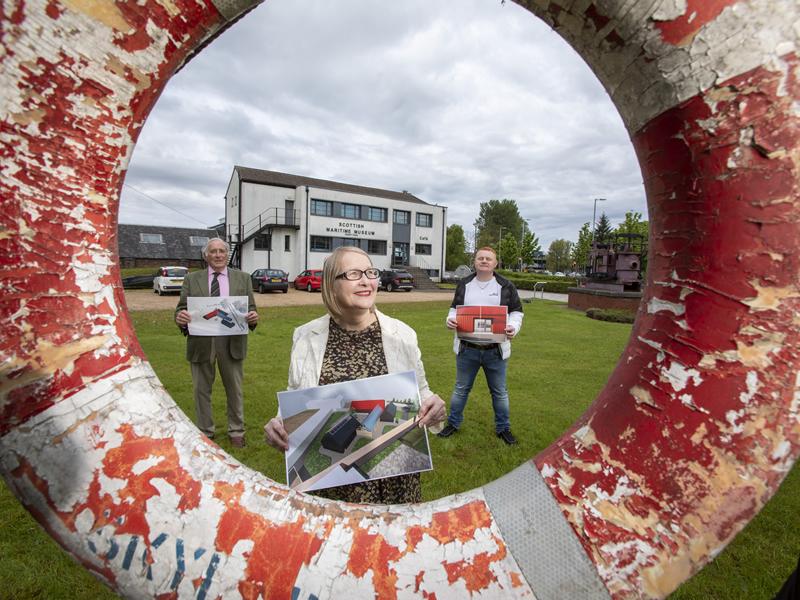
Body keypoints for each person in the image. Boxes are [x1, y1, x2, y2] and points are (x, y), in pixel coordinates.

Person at [264, 246, 446, 503]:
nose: (365, 281)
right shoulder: (305, 336)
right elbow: (298, 395)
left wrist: (434, 407)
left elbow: (421, 391)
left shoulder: (403, 335)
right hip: (329, 485)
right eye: (353, 274)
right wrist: (279, 423)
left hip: (393, 482)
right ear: (331, 284)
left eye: (370, 272)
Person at [175, 238, 259, 447]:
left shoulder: (243, 278)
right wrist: (180, 318)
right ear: (206, 255)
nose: (218, 255)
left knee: (235, 389)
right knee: (201, 390)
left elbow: (252, 308)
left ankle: (236, 431)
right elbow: (181, 308)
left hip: (232, 342)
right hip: (201, 342)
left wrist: (253, 317)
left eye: (222, 251)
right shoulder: (192, 279)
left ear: (227, 254)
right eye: (213, 251)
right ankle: (205, 432)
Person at [438, 246, 523, 445]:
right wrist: (450, 319)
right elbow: (454, 309)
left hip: (495, 350)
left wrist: (512, 326)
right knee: (461, 389)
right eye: (480, 258)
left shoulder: (505, 285)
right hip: (467, 349)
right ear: (474, 262)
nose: (484, 261)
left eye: (488, 259)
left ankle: (503, 428)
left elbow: (517, 312)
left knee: (499, 392)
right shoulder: (464, 284)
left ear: (495, 263)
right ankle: (453, 423)